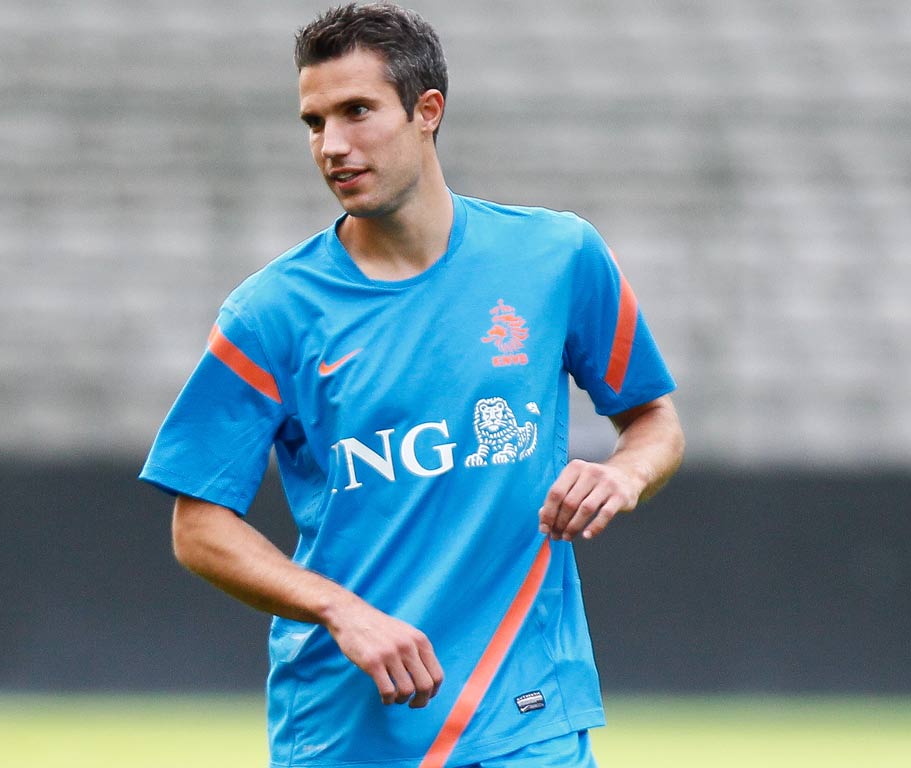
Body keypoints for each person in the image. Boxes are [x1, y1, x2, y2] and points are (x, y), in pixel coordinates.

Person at [140, 3, 684, 766]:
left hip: (528, 713)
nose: (332, 144)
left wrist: (623, 473)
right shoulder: (271, 314)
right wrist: (339, 610)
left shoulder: (556, 256)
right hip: (353, 724)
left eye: (357, 111)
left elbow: (655, 421)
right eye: (314, 121)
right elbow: (196, 527)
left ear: (427, 111)